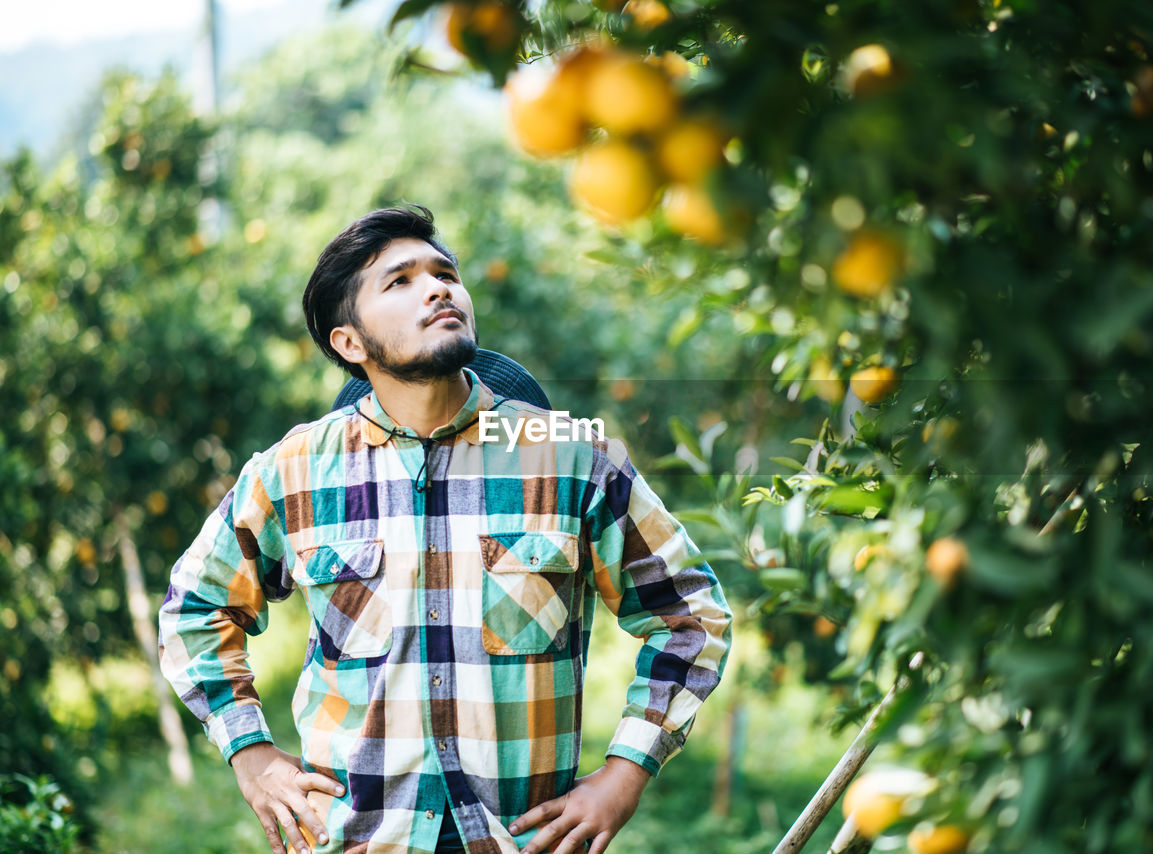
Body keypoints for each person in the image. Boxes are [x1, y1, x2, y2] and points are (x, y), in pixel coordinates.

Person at [158, 205, 733, 854]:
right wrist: (250, 753)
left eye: (446, 273)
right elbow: (194, 610)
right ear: (350, 342)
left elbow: (692, 616)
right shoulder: (293, 474)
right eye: (400, 281)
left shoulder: (573, 459)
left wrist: (627, 771)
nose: (438, 287)